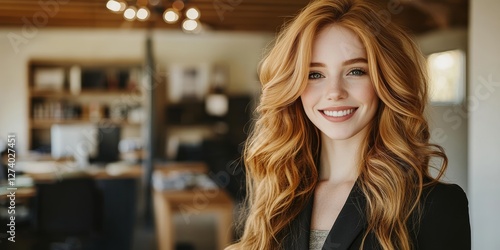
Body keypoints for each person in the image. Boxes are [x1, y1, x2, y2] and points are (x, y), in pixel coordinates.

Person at [226, 0, 471, 249]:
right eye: (315, 74)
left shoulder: (436, 204)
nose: (335, 92)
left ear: (384, 81)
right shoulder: (279, 192)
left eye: (355, 71)